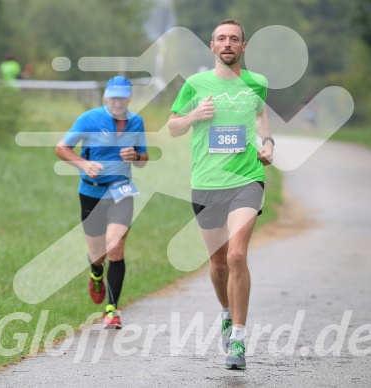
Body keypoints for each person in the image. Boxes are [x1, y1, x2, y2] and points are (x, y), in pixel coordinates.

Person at [167, 19, 274, 370]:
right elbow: (173, 126)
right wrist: (195, 114)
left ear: (244, 47)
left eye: (234, 39)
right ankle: (227, 314)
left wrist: (268, 143)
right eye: (221, 39)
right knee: (217, 263)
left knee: (237, 257)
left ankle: (239, 341)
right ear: (212, 46)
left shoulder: (257, 83)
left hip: (246, 179)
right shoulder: (196, 84)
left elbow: (260, 117)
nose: (227, 44)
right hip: (207, 184)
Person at [55, 76, 148, 329]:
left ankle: (112, 310)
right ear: (106, 96)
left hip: (121, 191)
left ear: (129, 98)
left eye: (122, 97)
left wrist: (136, 155)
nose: (118, 102)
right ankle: (96, 272)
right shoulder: (89, 119)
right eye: (113, 96)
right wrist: (83, 164)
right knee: (99, 254)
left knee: (115, 248)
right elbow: (62, 148)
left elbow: (143, 158)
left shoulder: (136, 122)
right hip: (91, 192)